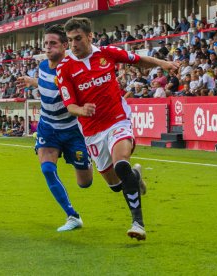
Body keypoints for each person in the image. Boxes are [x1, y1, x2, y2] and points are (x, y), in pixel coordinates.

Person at [57, 17, 178, 240]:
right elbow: (69, 104)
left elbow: (138, 59)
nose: (73, 44)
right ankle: (135, 177)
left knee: (121, 164)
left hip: (117, 120)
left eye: (78, 39)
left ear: (90, 36)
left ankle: (138, 224)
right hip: (92, 131)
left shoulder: (107, 53)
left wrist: (163, 64)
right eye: (70, 40)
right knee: (116, 185)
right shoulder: (64, 68)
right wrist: (81, 110)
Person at [17, 24, 93, 232]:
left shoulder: (73, 69)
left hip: (72, 131)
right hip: (48, 128)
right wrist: (30, 81)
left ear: (65, 46)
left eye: (53, 44)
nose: (48, 48)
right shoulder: (42, 67)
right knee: (47, 169)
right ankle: (72, 215)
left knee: (85, 183)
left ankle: (91, 160)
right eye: (46, 44)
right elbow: (45, 82)